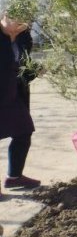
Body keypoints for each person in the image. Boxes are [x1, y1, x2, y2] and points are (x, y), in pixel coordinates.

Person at [0, 13, 41, 192]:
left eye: (25, 21)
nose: (20, 23)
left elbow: (22, 68)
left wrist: (36, 71)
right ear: (4, 17)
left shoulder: (23, 39)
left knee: (24, 131)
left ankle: (14, 177)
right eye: (13, 17)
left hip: (12, 94)